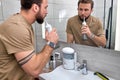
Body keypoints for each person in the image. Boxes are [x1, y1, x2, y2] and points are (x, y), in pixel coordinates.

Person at [0, 0, 58, 80]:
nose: (46, 12)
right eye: (45, 8)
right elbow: (34, 70)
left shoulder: (25, 25)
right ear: (35, 8)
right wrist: (51, 43)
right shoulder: (17, 27)